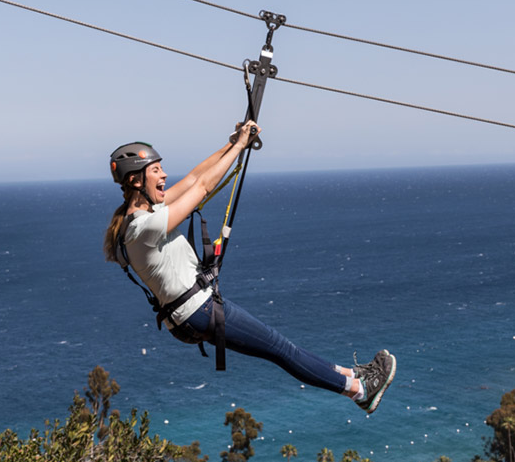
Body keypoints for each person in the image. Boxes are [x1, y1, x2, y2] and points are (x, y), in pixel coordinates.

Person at [103, 121, 396, 413]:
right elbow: (202, 187)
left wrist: (233, 144)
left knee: (281, 347)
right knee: (282, 350)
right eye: (155, 170)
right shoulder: (144, 227)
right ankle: (359, 391)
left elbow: (194, 177)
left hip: (192, 313)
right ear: (136, 181)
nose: (164, 174)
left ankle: (354, 376)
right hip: (199, 310)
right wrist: (241, 145)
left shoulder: (137, 220)